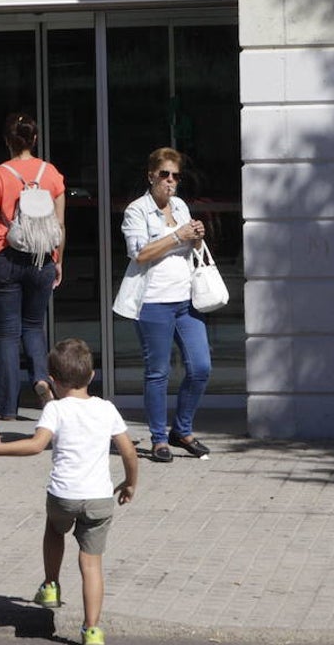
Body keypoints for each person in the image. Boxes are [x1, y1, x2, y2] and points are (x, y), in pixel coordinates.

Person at [0, 338, 138, 645]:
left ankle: (51, 584)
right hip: (100, 499)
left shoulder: (56, 410)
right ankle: (92, 631)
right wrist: (130, 483)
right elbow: (129, 452)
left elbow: (36, 446)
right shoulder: (107, 408)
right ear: (91, 376)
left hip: (64, 497)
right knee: (91, 564)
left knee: (54, 529)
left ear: (52, 379)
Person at [112, 146, 212, 463]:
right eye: (164, 175)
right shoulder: (136, 211)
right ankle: (158, 438)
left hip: (186, 299)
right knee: (157, 372)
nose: (170, 181)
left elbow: (191, 245)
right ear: (151, 176)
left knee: (201, 367)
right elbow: (139, 254)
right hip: (153, 302)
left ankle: (181, 430)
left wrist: (196, 235)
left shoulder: (180, 206)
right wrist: (178, 236)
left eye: (175, 176)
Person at [0, 112, 67, 419]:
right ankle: (41, 378)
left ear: (6, 141)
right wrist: (58, 260)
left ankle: (9, 408)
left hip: (5, 259)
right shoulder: (51, 173)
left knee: (8, 334)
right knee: (33, 327)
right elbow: (60, 225)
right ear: (34, 139)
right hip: (42, 259)